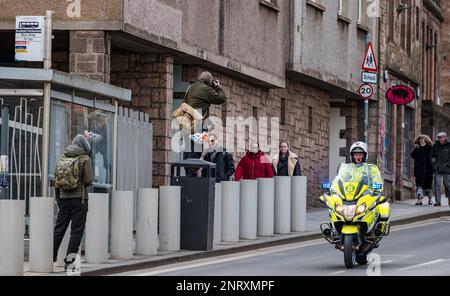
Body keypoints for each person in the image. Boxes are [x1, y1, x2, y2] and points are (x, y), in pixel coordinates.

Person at [53, 133, 94, 271]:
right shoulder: (85, 158)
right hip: (79, 201)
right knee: (76, 233)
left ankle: (48, 257)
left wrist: (60, 201)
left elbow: (56, 181)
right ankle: (69, 263)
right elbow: (88, 180)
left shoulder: (62, 157)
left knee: (58, 230)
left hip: (64, 200)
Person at [178, 72, 227, 174]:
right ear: (209, 81)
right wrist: (218, 87)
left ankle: (188, 171)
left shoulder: (190, 87)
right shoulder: (206, 89)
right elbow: (221, 98)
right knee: (197, 147)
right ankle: (192, 172)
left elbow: (183, 104)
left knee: (188, 148)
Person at [346, 141, 390, 232]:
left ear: (365, 155)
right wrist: (333, 188)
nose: (358, 157)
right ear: (352, 156)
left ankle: (377, 229)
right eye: (356, 155)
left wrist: (377, 186)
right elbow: (340, 179)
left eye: (360, 155)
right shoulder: (347, 168)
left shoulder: (371, 168)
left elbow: (377, 178)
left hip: (366, 195)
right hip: (349, 196)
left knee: (382, 207)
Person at [411, 135, 433, 205]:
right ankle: (419, 200)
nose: (421, 141)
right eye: (420, 140)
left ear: (425, 140)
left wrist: (433, 168)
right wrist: (416, 149)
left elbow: (433, 158)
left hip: (428, 170)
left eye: (422, 139)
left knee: (428, 186)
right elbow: (413, 156)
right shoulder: (417, 148)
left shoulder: (430, 148)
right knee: (419, 186)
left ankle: (430, 199)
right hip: (419, 170)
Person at [431, 132, 450, 207]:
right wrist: (434, 164)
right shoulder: (435, 146)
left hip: (447, 169)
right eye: (438, 137)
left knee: (448, 185)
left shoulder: (449, 145)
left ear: (445, 138)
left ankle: (449, 198)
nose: (439, 139)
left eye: (441, 137)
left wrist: (448, 164)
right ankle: (438, 201)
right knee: (437, 185)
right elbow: (432, 155)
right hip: (438, 169)